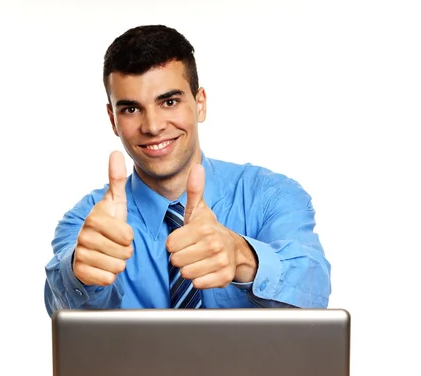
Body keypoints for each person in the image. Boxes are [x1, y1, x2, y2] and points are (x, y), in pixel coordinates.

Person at [43, 24, 331, 315]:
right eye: (131, 109)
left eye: (169, 102)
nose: (153, 126)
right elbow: (61, 310)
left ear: (200, 103)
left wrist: (242, 257)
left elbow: (315, 290)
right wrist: (81, 273)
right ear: (112, 119)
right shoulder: (89, 221)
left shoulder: (271, 196)